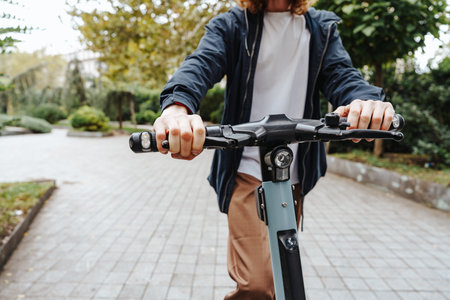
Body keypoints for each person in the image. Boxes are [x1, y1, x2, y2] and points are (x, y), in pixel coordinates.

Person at [154, 0, 395, 299]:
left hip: (293, 173)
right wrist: (178, 107)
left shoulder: (320, 27)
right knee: (257, 284)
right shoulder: (232, 25)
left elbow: (342, 75)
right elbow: (201, 64)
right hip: (245, 169)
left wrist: (363, 101)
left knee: (285, 279)